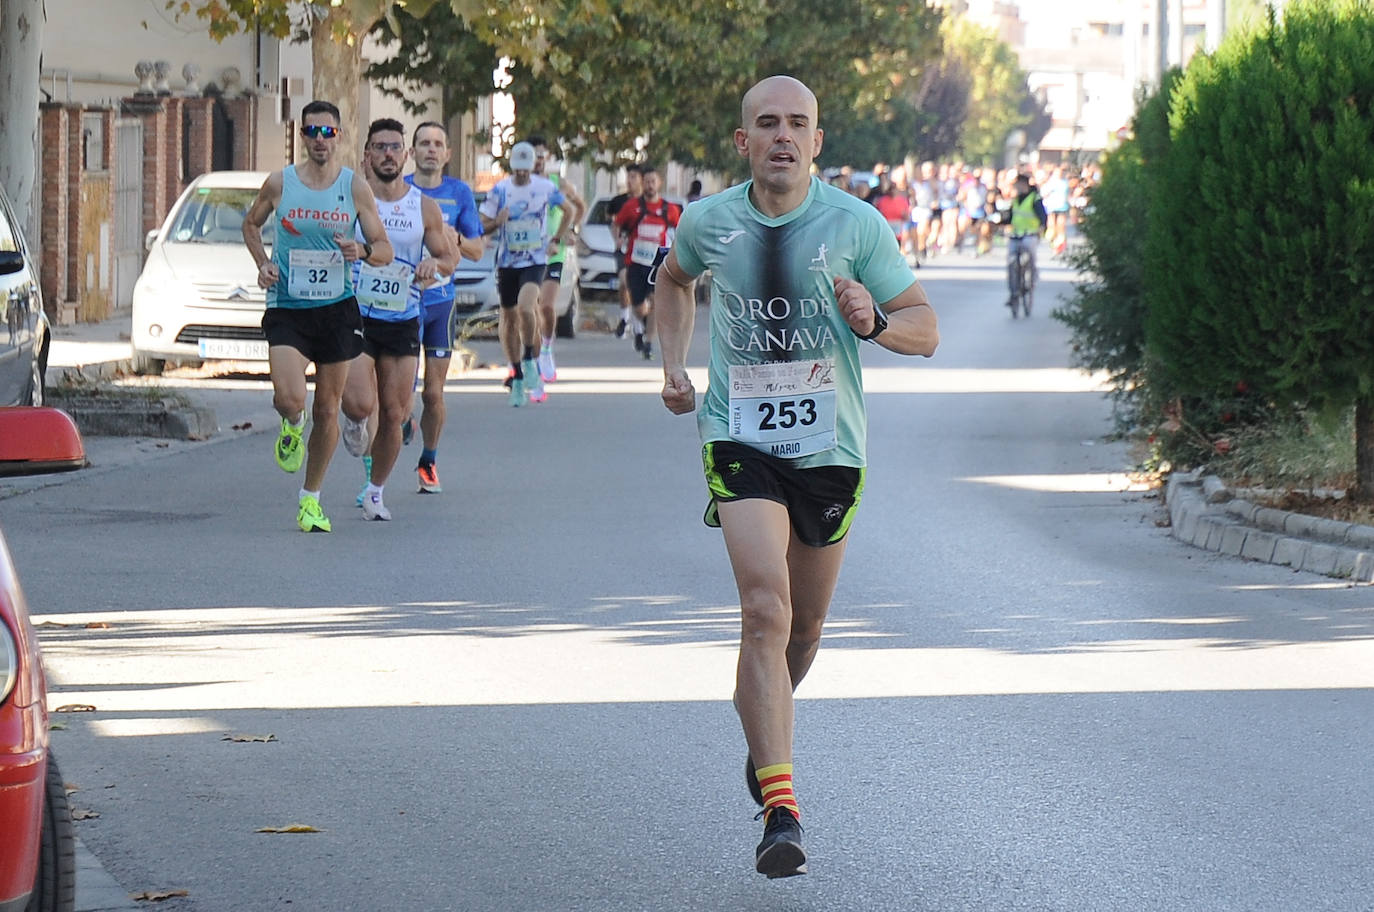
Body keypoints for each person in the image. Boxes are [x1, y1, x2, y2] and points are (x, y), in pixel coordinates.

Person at [654, 75, 939, 879]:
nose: (783, 136)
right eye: (766, 124)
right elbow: (671, 281)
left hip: (829, 448)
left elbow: (926, 328)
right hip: (739, 434)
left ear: (817, 142)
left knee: (803, 631)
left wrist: (876, 322)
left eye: (798, 124)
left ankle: (763, 735)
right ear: (742, 141)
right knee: (763, 605)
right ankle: (781, 807)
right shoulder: (709, 221)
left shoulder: (855, 225)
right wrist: (675, 368)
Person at [242, 99, 393, 533]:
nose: (320, 140)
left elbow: (383, 248)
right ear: (302, 135)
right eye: (313, 132)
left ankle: (311, 500)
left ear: (339, 136)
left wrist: (361, 250)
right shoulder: (280, 183)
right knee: (291, 398)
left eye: (328, 133)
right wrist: (263, 263)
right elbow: (251, 226)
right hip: (288, 306)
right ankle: (291, 423)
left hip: (336, 309)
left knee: (329, 410)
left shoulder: (354, 187)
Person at [339, 118, 457, 521]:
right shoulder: (351, 200)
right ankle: (355, 423)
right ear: (366, 155)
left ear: (404, 156)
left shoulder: (422, 206)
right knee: (359, 403)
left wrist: (432, 265)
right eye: (380, 147)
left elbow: (449, 258)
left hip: (403, 317)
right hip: (355, 313)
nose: (388, 154)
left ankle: (375, 490)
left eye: (394, 147)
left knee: (395, 413)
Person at [405, 121, 485, 494]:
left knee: (432, 394)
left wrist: (453, 238)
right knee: (397, 394)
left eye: (438, 143)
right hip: (400, 303)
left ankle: (429, 461)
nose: (431, 150)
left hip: (441, 302)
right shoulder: (399, 191)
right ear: (413, 151)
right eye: (424, 143)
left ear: (448, 153)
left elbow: (476, 249)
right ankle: (381, 464)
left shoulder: (459, 193)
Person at [479, 141, 573, 406]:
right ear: (512, 168)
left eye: (525, 170)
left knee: (526, 307)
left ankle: (531, 358)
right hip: (507, 262)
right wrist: (498, 221)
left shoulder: (544, 188)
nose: (521, 175)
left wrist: (557, 237)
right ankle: (517, 373)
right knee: (508, 318)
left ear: (532, 167)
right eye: (517, 170)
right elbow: (482, 225)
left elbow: (570, 210)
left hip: (534, 260)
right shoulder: (500, 190)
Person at [612, 163, 681, 360]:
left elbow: (680, 230)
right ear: (643, 184)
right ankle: (640, 328)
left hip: (657, 263)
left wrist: (677, 250)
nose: (650, 185)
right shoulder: (632, 206)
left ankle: (649, 343)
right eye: (647, 182)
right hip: (635, 261)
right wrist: (617, 239)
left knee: (656, 302)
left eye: (653, 181)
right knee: (639, 305)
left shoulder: (669, 209)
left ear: (659, 183)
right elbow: (617, 224)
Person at [530, 135, 586, 383]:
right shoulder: (516, 186)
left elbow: (579, 207)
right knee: (528, 309)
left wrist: (569, 232)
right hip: (527, 254)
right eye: (533, 156)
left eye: (541, 156)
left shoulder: (557, 184)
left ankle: (546, 348)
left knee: (547, 306)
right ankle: (529, 354)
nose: (537, 161)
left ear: (547, 158)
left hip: (554, 252)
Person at [607, 164, 644, 339]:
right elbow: (613, 223)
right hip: (623, 249)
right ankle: (624, 319)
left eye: (634, 177)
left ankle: (638, 325)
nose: (630, 181)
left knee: (639, 288)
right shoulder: (618, 202)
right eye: (628, 177)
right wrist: (617, 238)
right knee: (624, 282)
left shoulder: (648, 201)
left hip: (643, 250)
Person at [1002, 171, 1048, 311]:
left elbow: (1042, 216)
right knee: (1011, 262)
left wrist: (1042, 227)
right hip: (1015, 235)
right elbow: (1010, 217)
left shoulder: (1034, 199)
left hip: (1030, 235)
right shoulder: (1015, 200)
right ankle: (1013, 293)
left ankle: (1032, 277)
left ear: (1024, 184)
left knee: (1030, 255)